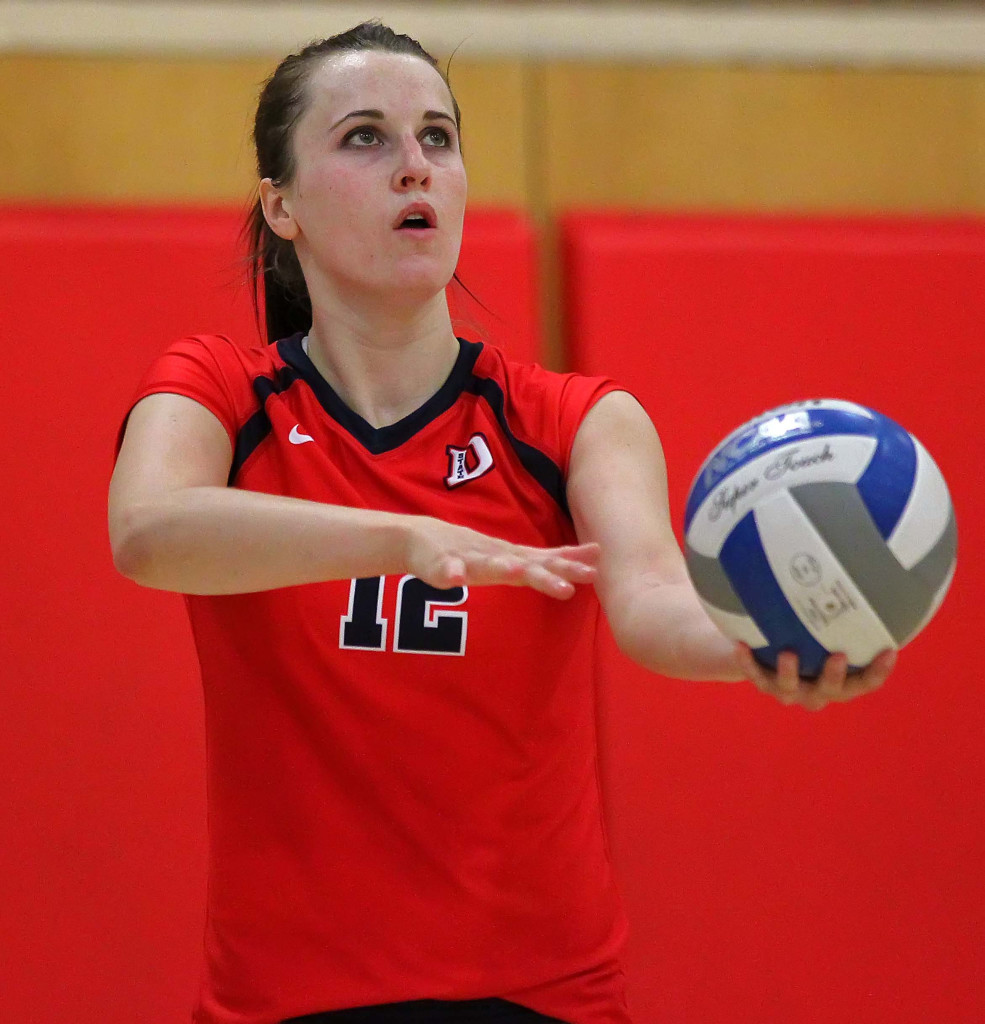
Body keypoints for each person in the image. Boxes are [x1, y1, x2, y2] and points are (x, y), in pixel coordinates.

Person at [108, 21, 896, 1024]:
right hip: (283, 997)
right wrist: (400, 537)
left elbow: (650, 601)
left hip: (538, 996)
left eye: (438, 137)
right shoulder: (221, 389)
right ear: (282, 204)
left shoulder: (569, 419)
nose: (414, 168)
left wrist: (766, 639)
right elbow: (149, 528)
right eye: (365, 138)